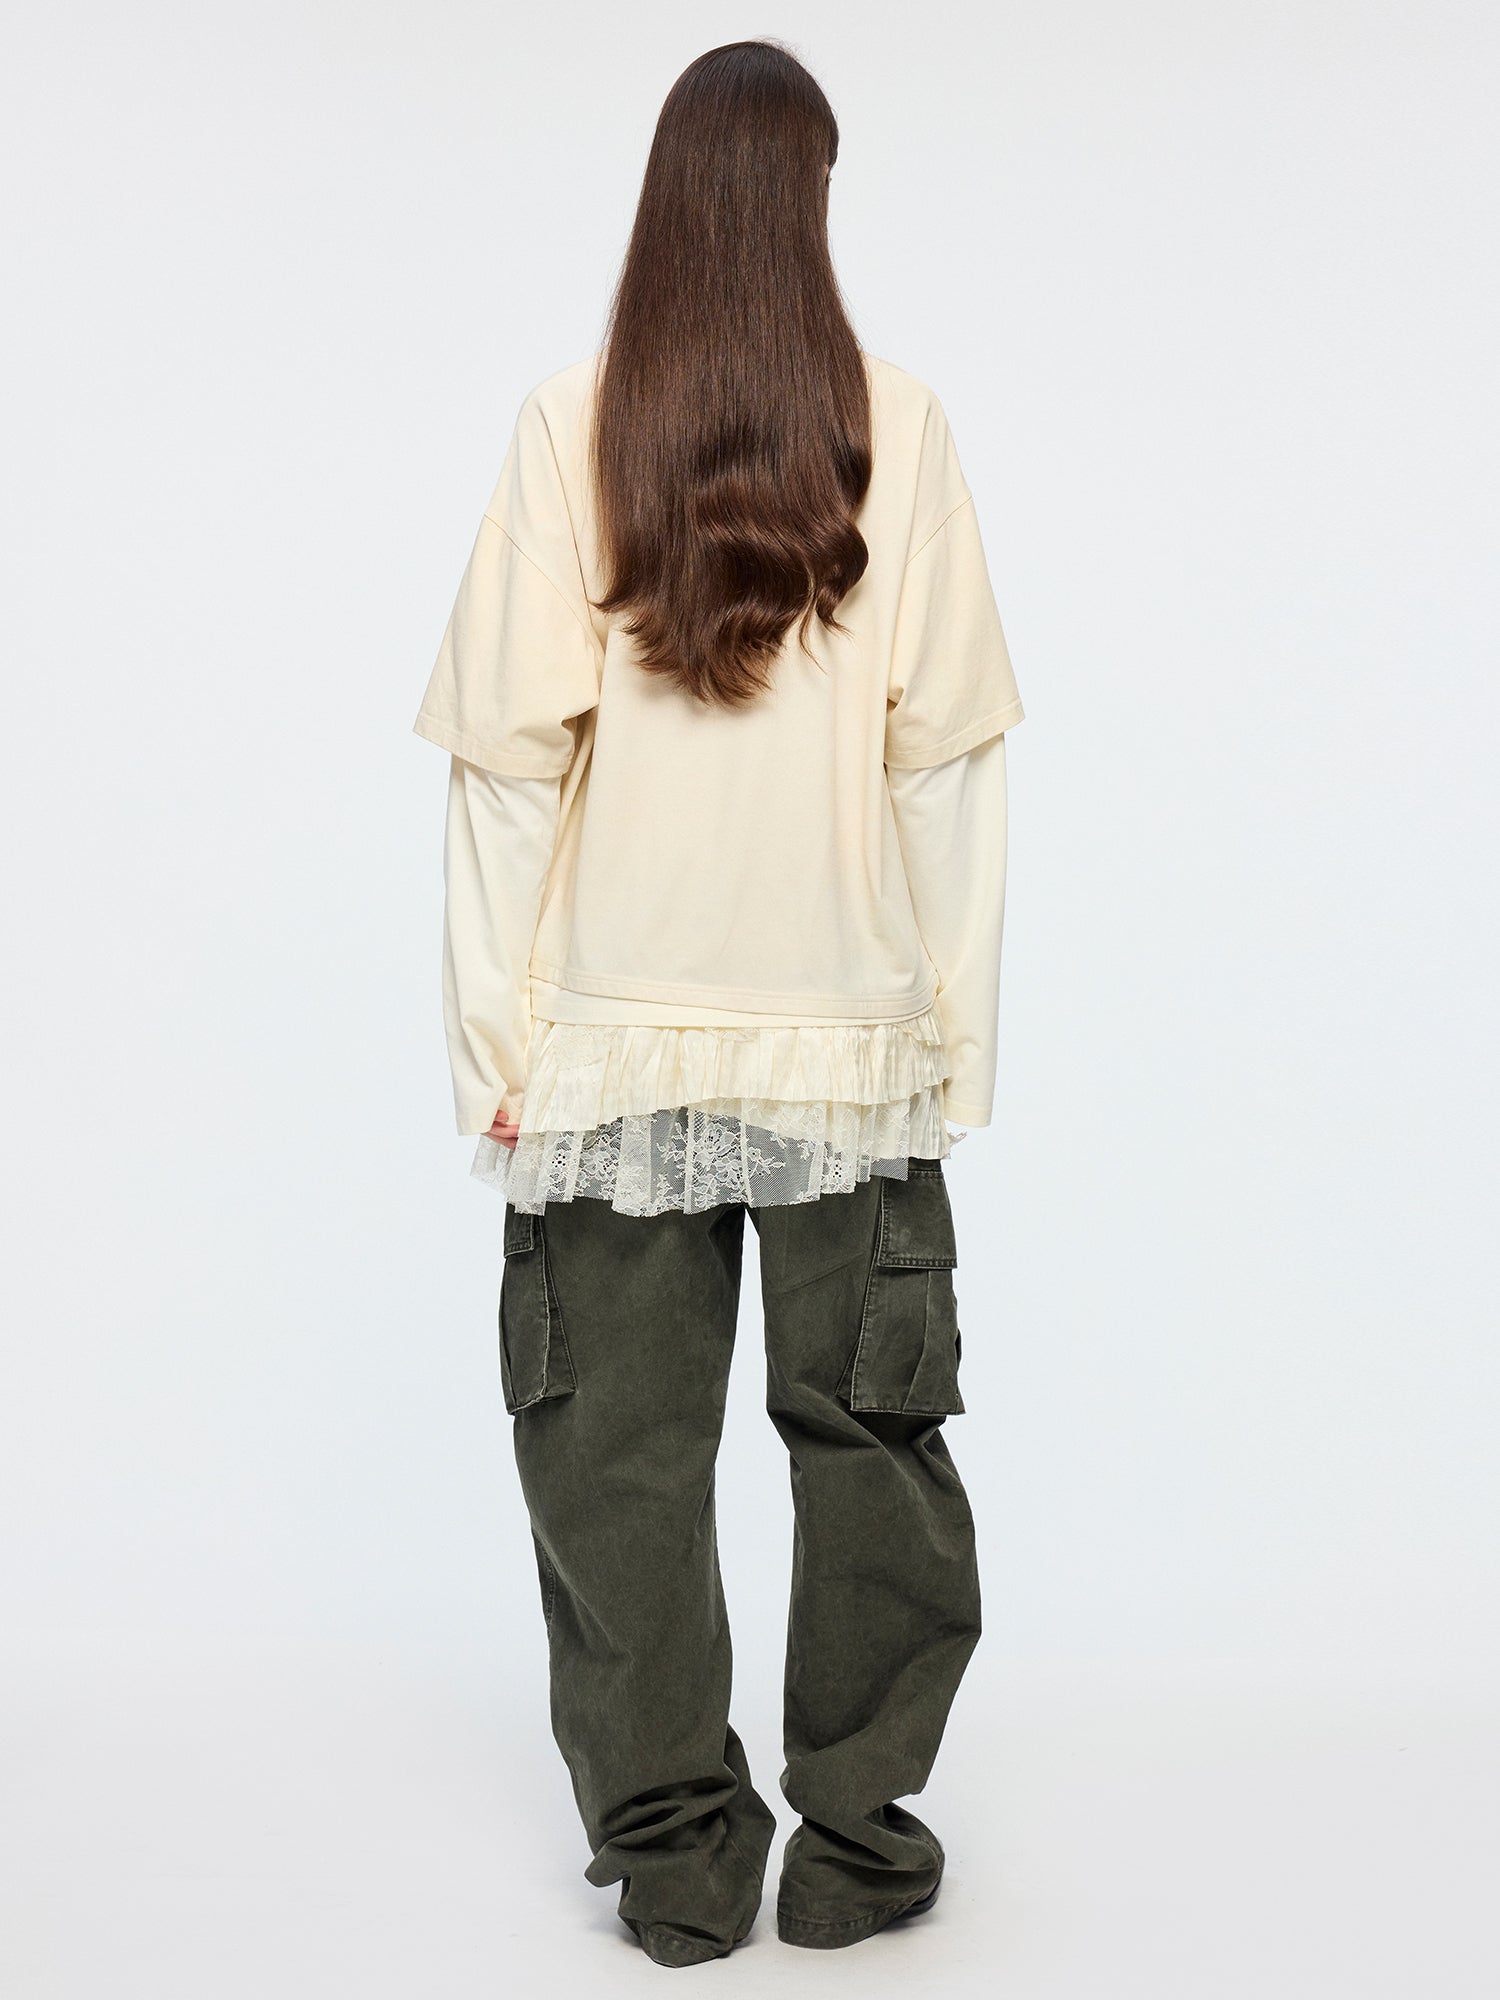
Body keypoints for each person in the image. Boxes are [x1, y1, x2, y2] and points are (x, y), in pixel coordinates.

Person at [411, 38, 1024, 1969]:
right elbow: (948, 771)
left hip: (605, 1043)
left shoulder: (572, 422)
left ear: (667, 199)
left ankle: (677, 1858)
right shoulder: (898, 424)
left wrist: (497, 1050)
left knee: (613, 1457)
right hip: (850, 1039)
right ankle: (859, 1841)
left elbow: (506, 774)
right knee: (874, 1443)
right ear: (811, 202)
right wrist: (954, 1041)